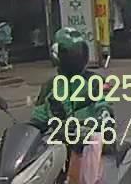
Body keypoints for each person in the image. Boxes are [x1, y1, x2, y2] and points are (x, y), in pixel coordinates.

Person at [31, 28, 112, 184]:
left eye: (78, 53)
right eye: (71, 54)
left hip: (87, 141)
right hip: (59, 142)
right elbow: (39, 116)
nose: (75, 58)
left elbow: (103, 106)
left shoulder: (94, 82)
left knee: (91, 144)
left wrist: (101, 120)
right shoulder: (50, 86)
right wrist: (30, 130)